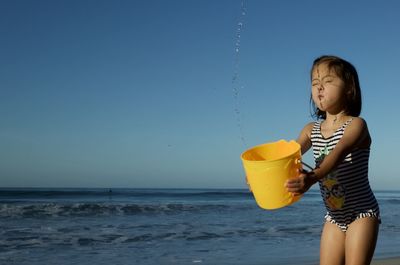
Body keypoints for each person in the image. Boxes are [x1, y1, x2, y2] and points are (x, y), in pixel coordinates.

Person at [285, 55, 380, 265]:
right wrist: (262, 175)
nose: (320, 88)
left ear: (349, 89)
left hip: (362, 213)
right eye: (315, 83)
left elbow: (337, 154)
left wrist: (312, 177)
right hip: (334, 217)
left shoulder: (356, 125)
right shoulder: (311, 130)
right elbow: (286, 156)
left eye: (328, 82)